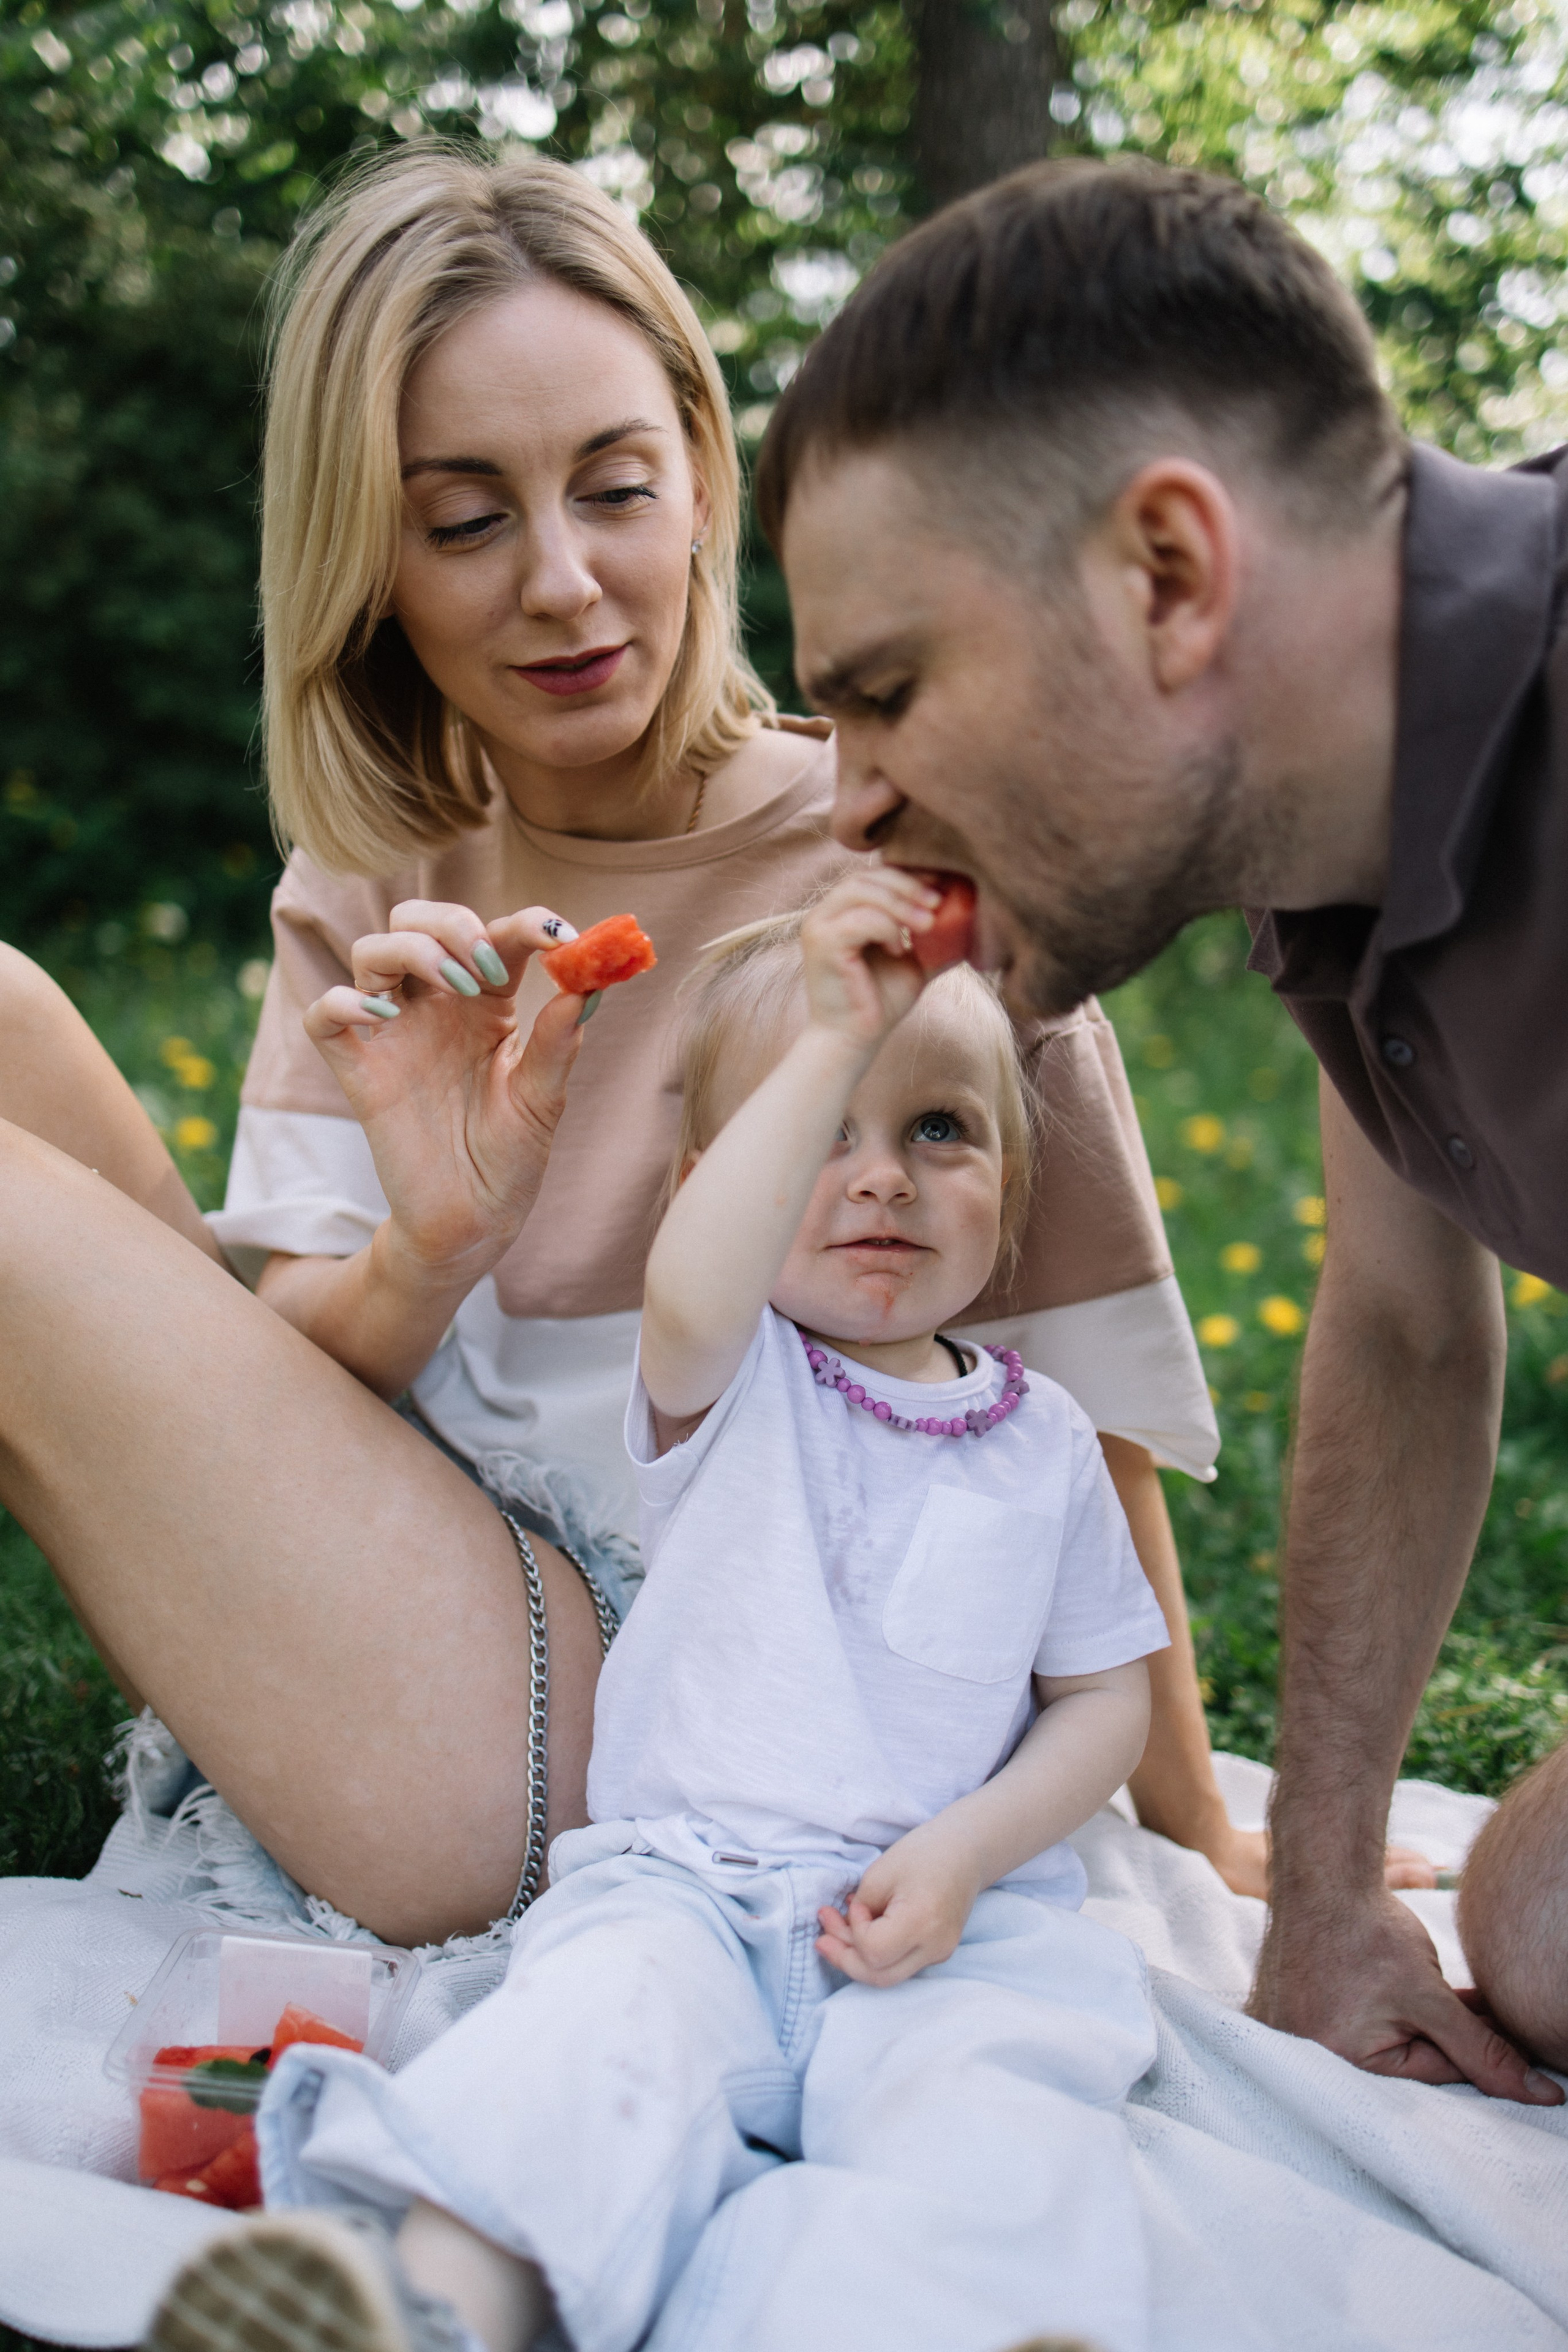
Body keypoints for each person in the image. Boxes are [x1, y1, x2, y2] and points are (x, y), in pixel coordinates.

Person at [0, 141, 1261, 1950]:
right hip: (407, 1588)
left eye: (613, 488)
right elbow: (299, 1374)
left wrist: (1201, 1829)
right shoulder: (382, 871)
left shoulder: (910, 855)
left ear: (698, 482)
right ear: (368, 558)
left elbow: (1082, 1423)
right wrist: (434, 1248)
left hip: (658, 1724)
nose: (568, 585)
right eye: (465, 520)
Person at [753, 154, 1568, 2101]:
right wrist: (1323, 1896)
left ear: (1172, 577)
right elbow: (1401, 1323)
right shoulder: (1332, 825)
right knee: (1543, 1926)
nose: (843, 802)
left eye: (888, 694)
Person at [149, 867, 1169, 2352]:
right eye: (817, 1137)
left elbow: (1103, 1701)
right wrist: (831, 1030)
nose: (879, 1176)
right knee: (578, 2064)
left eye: (936, 1129)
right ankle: (438, 2297)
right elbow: (693, 1288)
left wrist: (968, 1852)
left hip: (951, 1923)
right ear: (710, 1194)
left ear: (1008, 1182)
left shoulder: (1046, 1442)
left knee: (1001, 2122)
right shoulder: (730, 1370)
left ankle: (932, 2316)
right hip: (682, 1892)